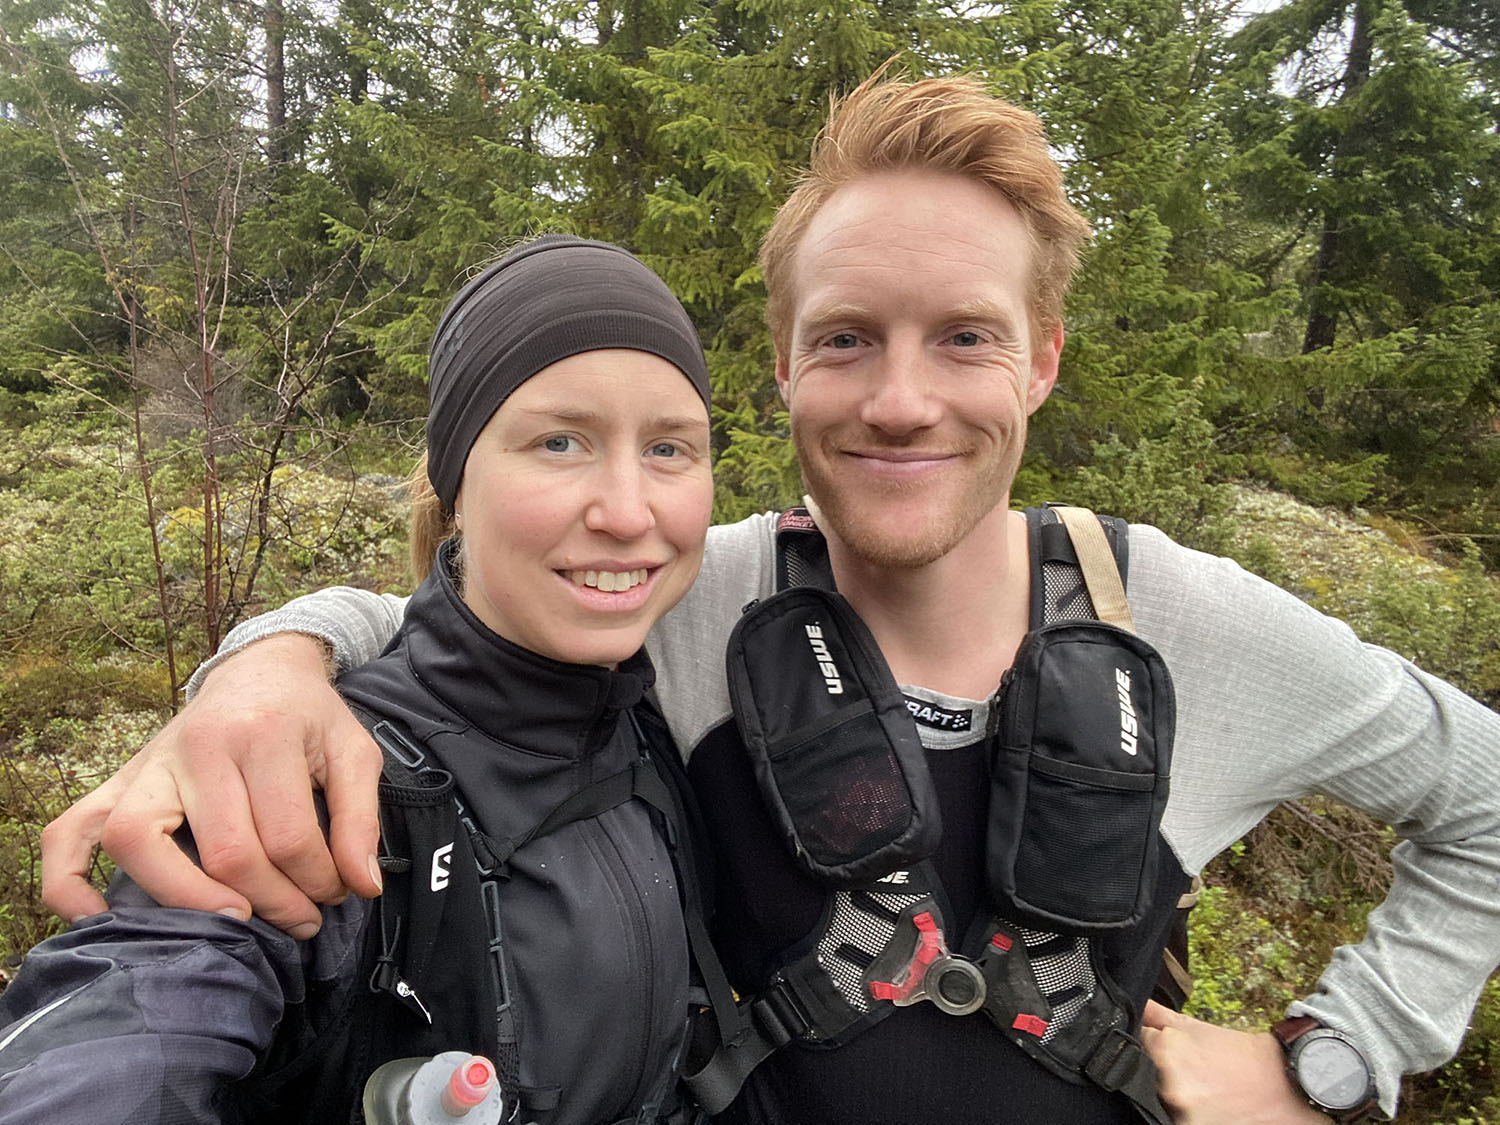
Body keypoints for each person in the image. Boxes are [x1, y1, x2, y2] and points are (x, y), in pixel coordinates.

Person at [37, 70, 1500, 1123]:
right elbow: (460, 617)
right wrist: (269, 667)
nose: (905, 401)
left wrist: (1335, 1052)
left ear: (1042, 360)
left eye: (967, 339)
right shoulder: (698, 591)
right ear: (784, 368)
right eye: (850, 338)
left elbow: (1484, 790)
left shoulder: (1176, 621)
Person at [0, 235, 720, 1124]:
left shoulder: (653, 710)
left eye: (670, 449)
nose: (626, 510)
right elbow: (137, 1018)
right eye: (559, 440)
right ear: (458, 482)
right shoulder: (314, 775)